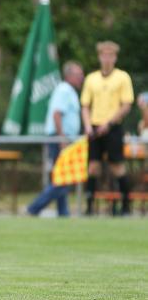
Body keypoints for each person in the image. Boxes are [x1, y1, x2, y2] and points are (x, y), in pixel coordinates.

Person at [81, 41, 134, 216]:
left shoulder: (122, 77)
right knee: (93, 167)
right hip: (94, 128)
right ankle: (90, 207)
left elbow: (126, 105)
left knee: (117, 166)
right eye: (104, 55)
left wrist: (109, 124)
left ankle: (125, 206)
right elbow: (85, 105)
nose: (107, 58)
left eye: (110, 55)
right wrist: (88, 126)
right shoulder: (91, 78)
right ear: (99, 56)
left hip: (113, 127)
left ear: (115, 57)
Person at [26, 61, 85, 217]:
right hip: (60, 139)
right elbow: (57, 114)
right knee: (63, 179)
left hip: (63, 138)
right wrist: (62, 138)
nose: (82, 78)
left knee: (62, 176)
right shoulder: (64, 90)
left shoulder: (69, 91)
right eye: (79, 74)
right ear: (69, 76)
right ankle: (34, 208)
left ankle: (63, 212)